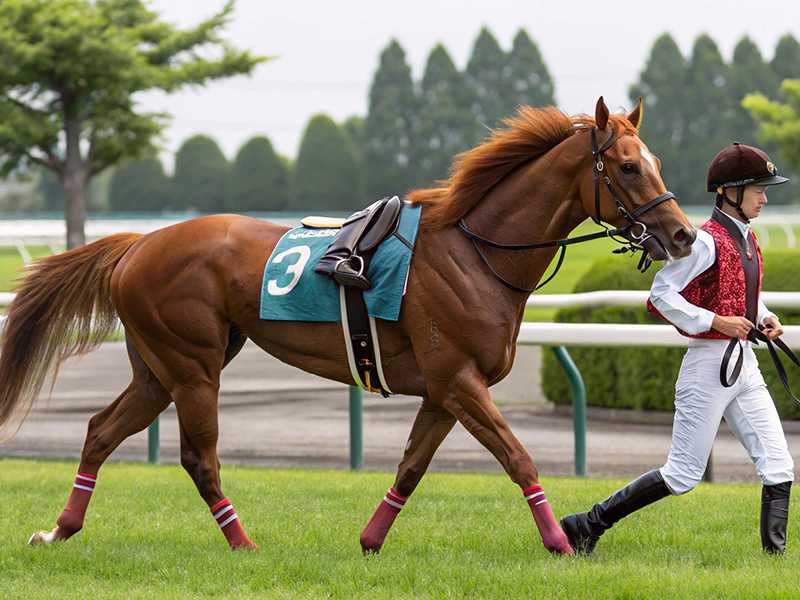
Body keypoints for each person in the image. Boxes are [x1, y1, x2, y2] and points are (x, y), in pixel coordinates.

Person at [560, 142, 794, 555]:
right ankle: (587, 524)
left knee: (779, 464)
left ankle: (774, 558)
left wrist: (764, 317)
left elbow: (743, 293)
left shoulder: (747, 238)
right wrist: (715, 321)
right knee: (683, 474)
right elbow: (661, 295)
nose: (764, 198)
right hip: (707, 368)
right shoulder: (704, 242)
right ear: (731, 192)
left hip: (743, 364)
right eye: (758, 190)